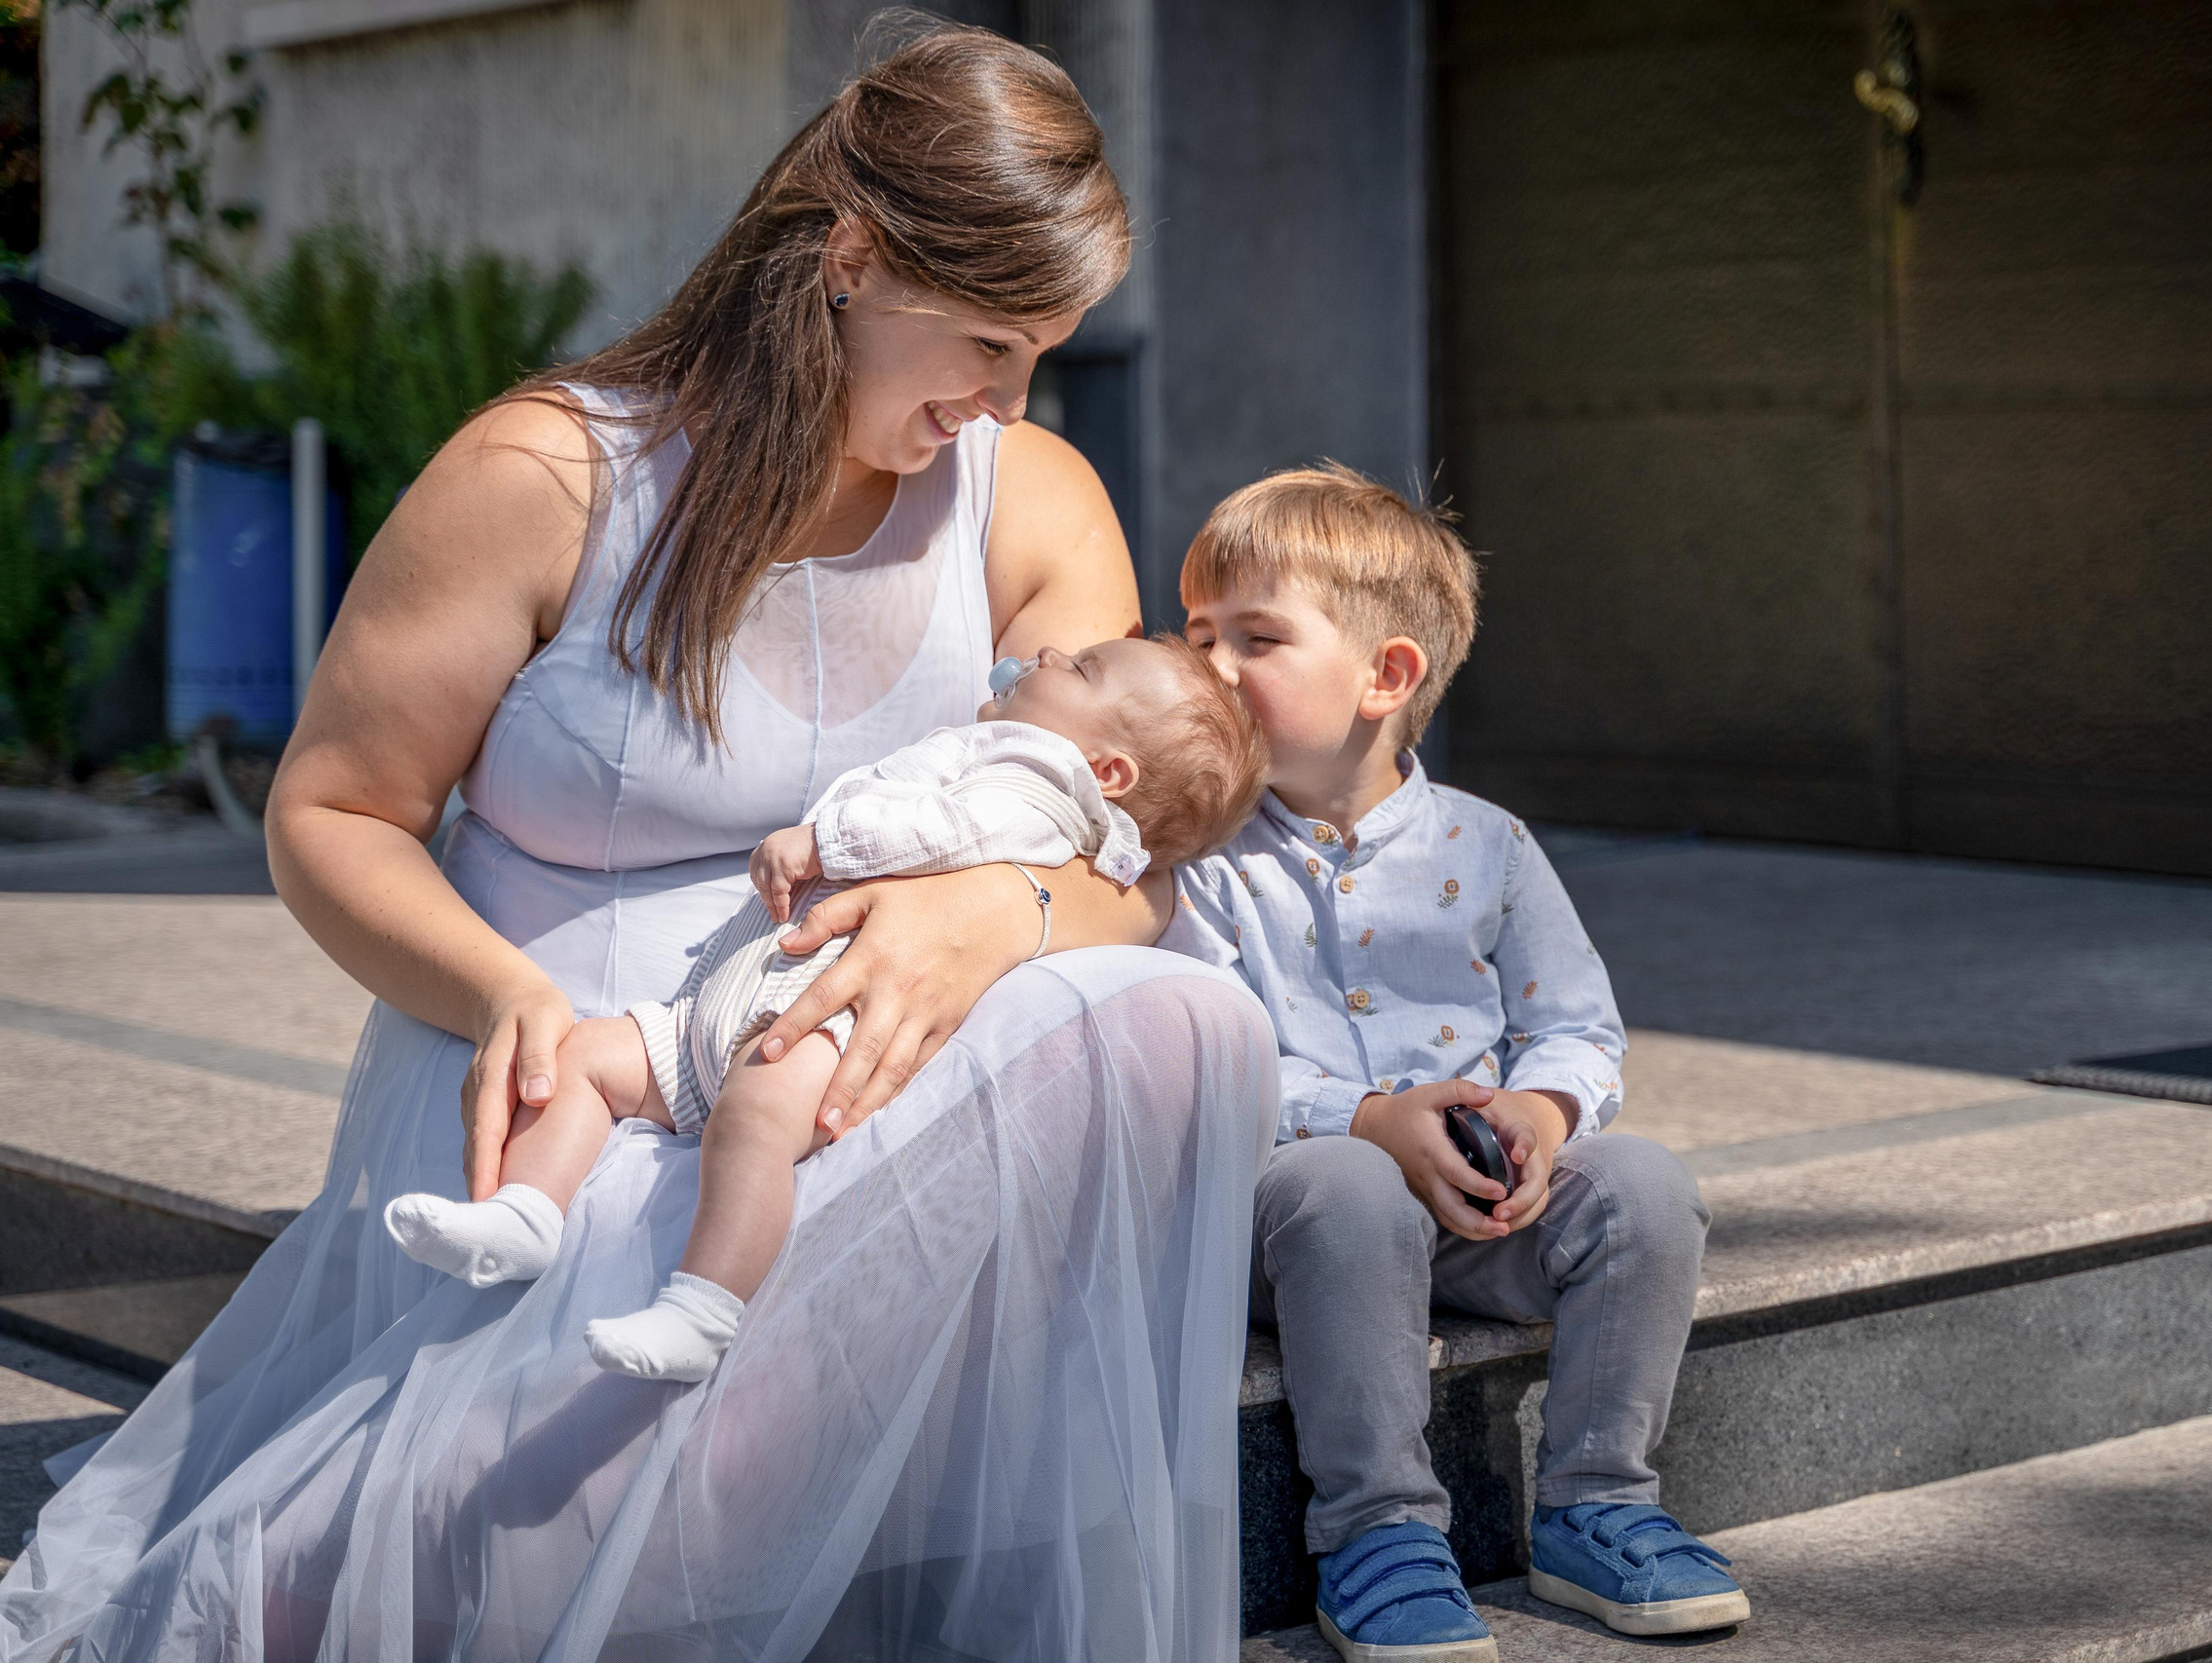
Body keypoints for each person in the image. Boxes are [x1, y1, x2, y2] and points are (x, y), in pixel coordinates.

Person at [0, 27, 1277, 1661]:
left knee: (1185, 1020)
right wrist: (497, 999)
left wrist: (1004, 913)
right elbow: (332, 811)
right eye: (987, 341)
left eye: (1043, 353)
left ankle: (611, 1518)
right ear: (853, 256)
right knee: (634, 1228)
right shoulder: (547, 473)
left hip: (847, 1047)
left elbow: (1126, 853)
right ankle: (398, 1554)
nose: (1007, 402)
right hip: (565, 1060)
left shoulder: (1027, 492)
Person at [1164, 466, 1749, 1660]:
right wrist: (1369, 1119)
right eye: (1195, 634)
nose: (1208, 668)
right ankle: (1374, 1529)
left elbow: (1576, 1025)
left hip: (1480, 1216)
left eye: (1255, 637)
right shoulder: (1198, 861)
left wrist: (1537, 1116)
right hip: (1293, 1218)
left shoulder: (1490, 845)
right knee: (1346, 1185)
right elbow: (1199, 1054)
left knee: (1644, 1188)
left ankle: (1599, 1504)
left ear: (1385, 675)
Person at [382, 635, 1266, 1385]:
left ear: (1106, 770)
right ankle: (527, 1213)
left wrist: (825, 841)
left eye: (1078, 669)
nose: (1046, 652)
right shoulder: (1008, 749)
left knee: (758, 1118)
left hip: (818, 1018)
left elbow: (949, 834)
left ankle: (704, 1303)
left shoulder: (1035, 779)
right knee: (585, 1055)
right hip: (730, 1003)